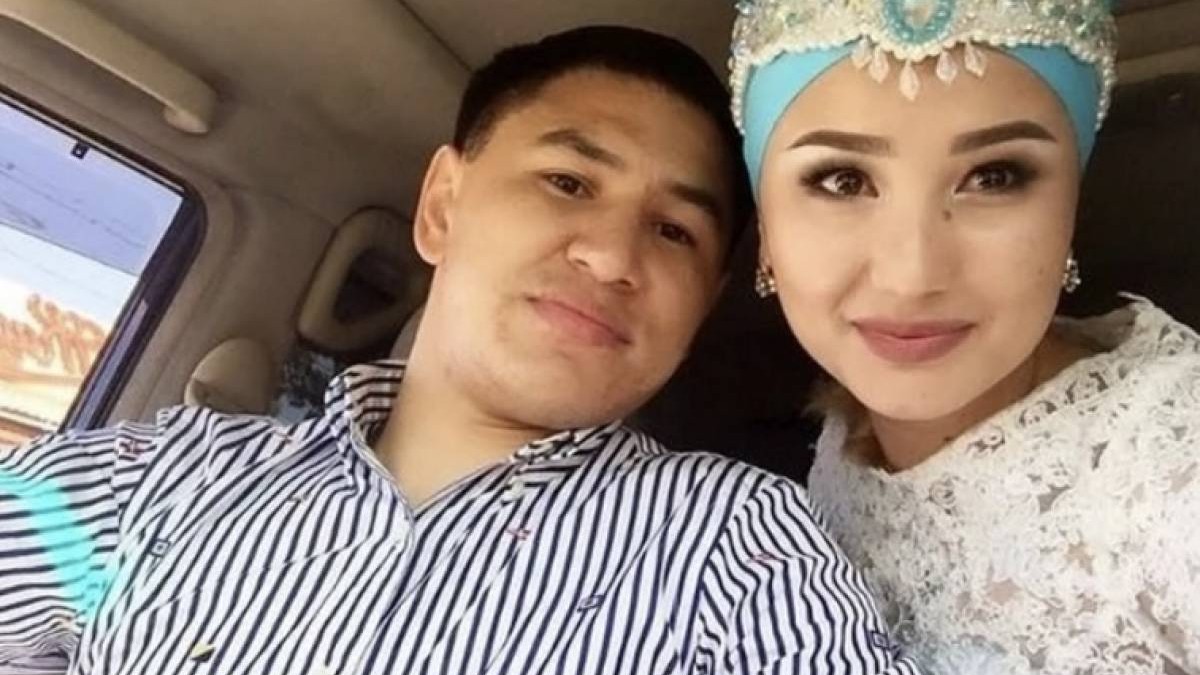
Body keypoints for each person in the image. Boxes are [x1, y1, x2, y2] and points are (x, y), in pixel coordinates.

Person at [0, 26, 922, 674]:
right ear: (442, 205)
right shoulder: (157, 477)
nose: (613, 255)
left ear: (702, 306)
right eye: (568, 181)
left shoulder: (739, 547)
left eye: (676, 230)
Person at [730, 0, 1200, 672]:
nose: (912, 276)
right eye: (843, 180)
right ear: (767, 238)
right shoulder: (829, 464)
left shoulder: (1174, 465)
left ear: (1069, 213)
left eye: (994, 177)